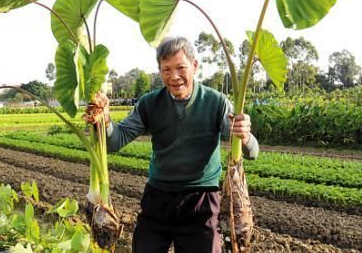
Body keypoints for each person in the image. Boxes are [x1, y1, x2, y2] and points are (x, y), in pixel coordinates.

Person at [104, 36, 259, 253]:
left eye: (181, 68)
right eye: (166, 70)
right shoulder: (149, 104)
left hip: (201, 201)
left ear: (194, 66)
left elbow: (252, 152)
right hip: (158, 198)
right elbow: (114, 141)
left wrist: (245, 136)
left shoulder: (216, 102)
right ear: (159, 71)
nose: (174, 77)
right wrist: (105, 120)